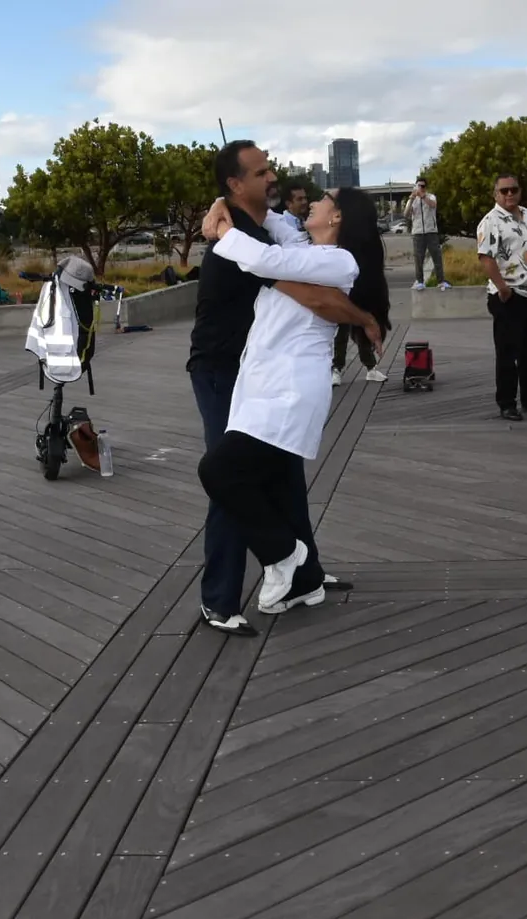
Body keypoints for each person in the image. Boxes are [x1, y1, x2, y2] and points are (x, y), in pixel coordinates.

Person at [186, 140, 366, 636]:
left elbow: (312, 278)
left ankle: (303, 576)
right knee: (227, 475)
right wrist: (363, 317)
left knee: (283, 472)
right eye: (261, 172)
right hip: (223, 370)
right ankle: (220, 598)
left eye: (271, 168)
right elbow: (312, 294)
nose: (273, 178)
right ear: (234, 184)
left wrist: (362, 317)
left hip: (264, 375)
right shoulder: (239, 242)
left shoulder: (262, 227)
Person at [478, 172, 527, 421]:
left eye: (513, 189)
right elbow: (486, 258)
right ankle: (506, 403)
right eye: (504, 191)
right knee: (507, 351)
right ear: (495, 194)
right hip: (508, 295)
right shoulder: (491, 221)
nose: (510, 194)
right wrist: (503, 288)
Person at [403, 177, 450, 291]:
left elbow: (433, 205)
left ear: (426, 187)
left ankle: (441, 281)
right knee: (419, 258)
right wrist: (411, 199)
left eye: (423, 186)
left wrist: (423, 196)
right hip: (418, 232)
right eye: (419, 186)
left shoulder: (430, 197)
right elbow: (406, 213)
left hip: (431, 231)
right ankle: (420, 282)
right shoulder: (413, 200)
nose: (420, 188)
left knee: (436, 256)